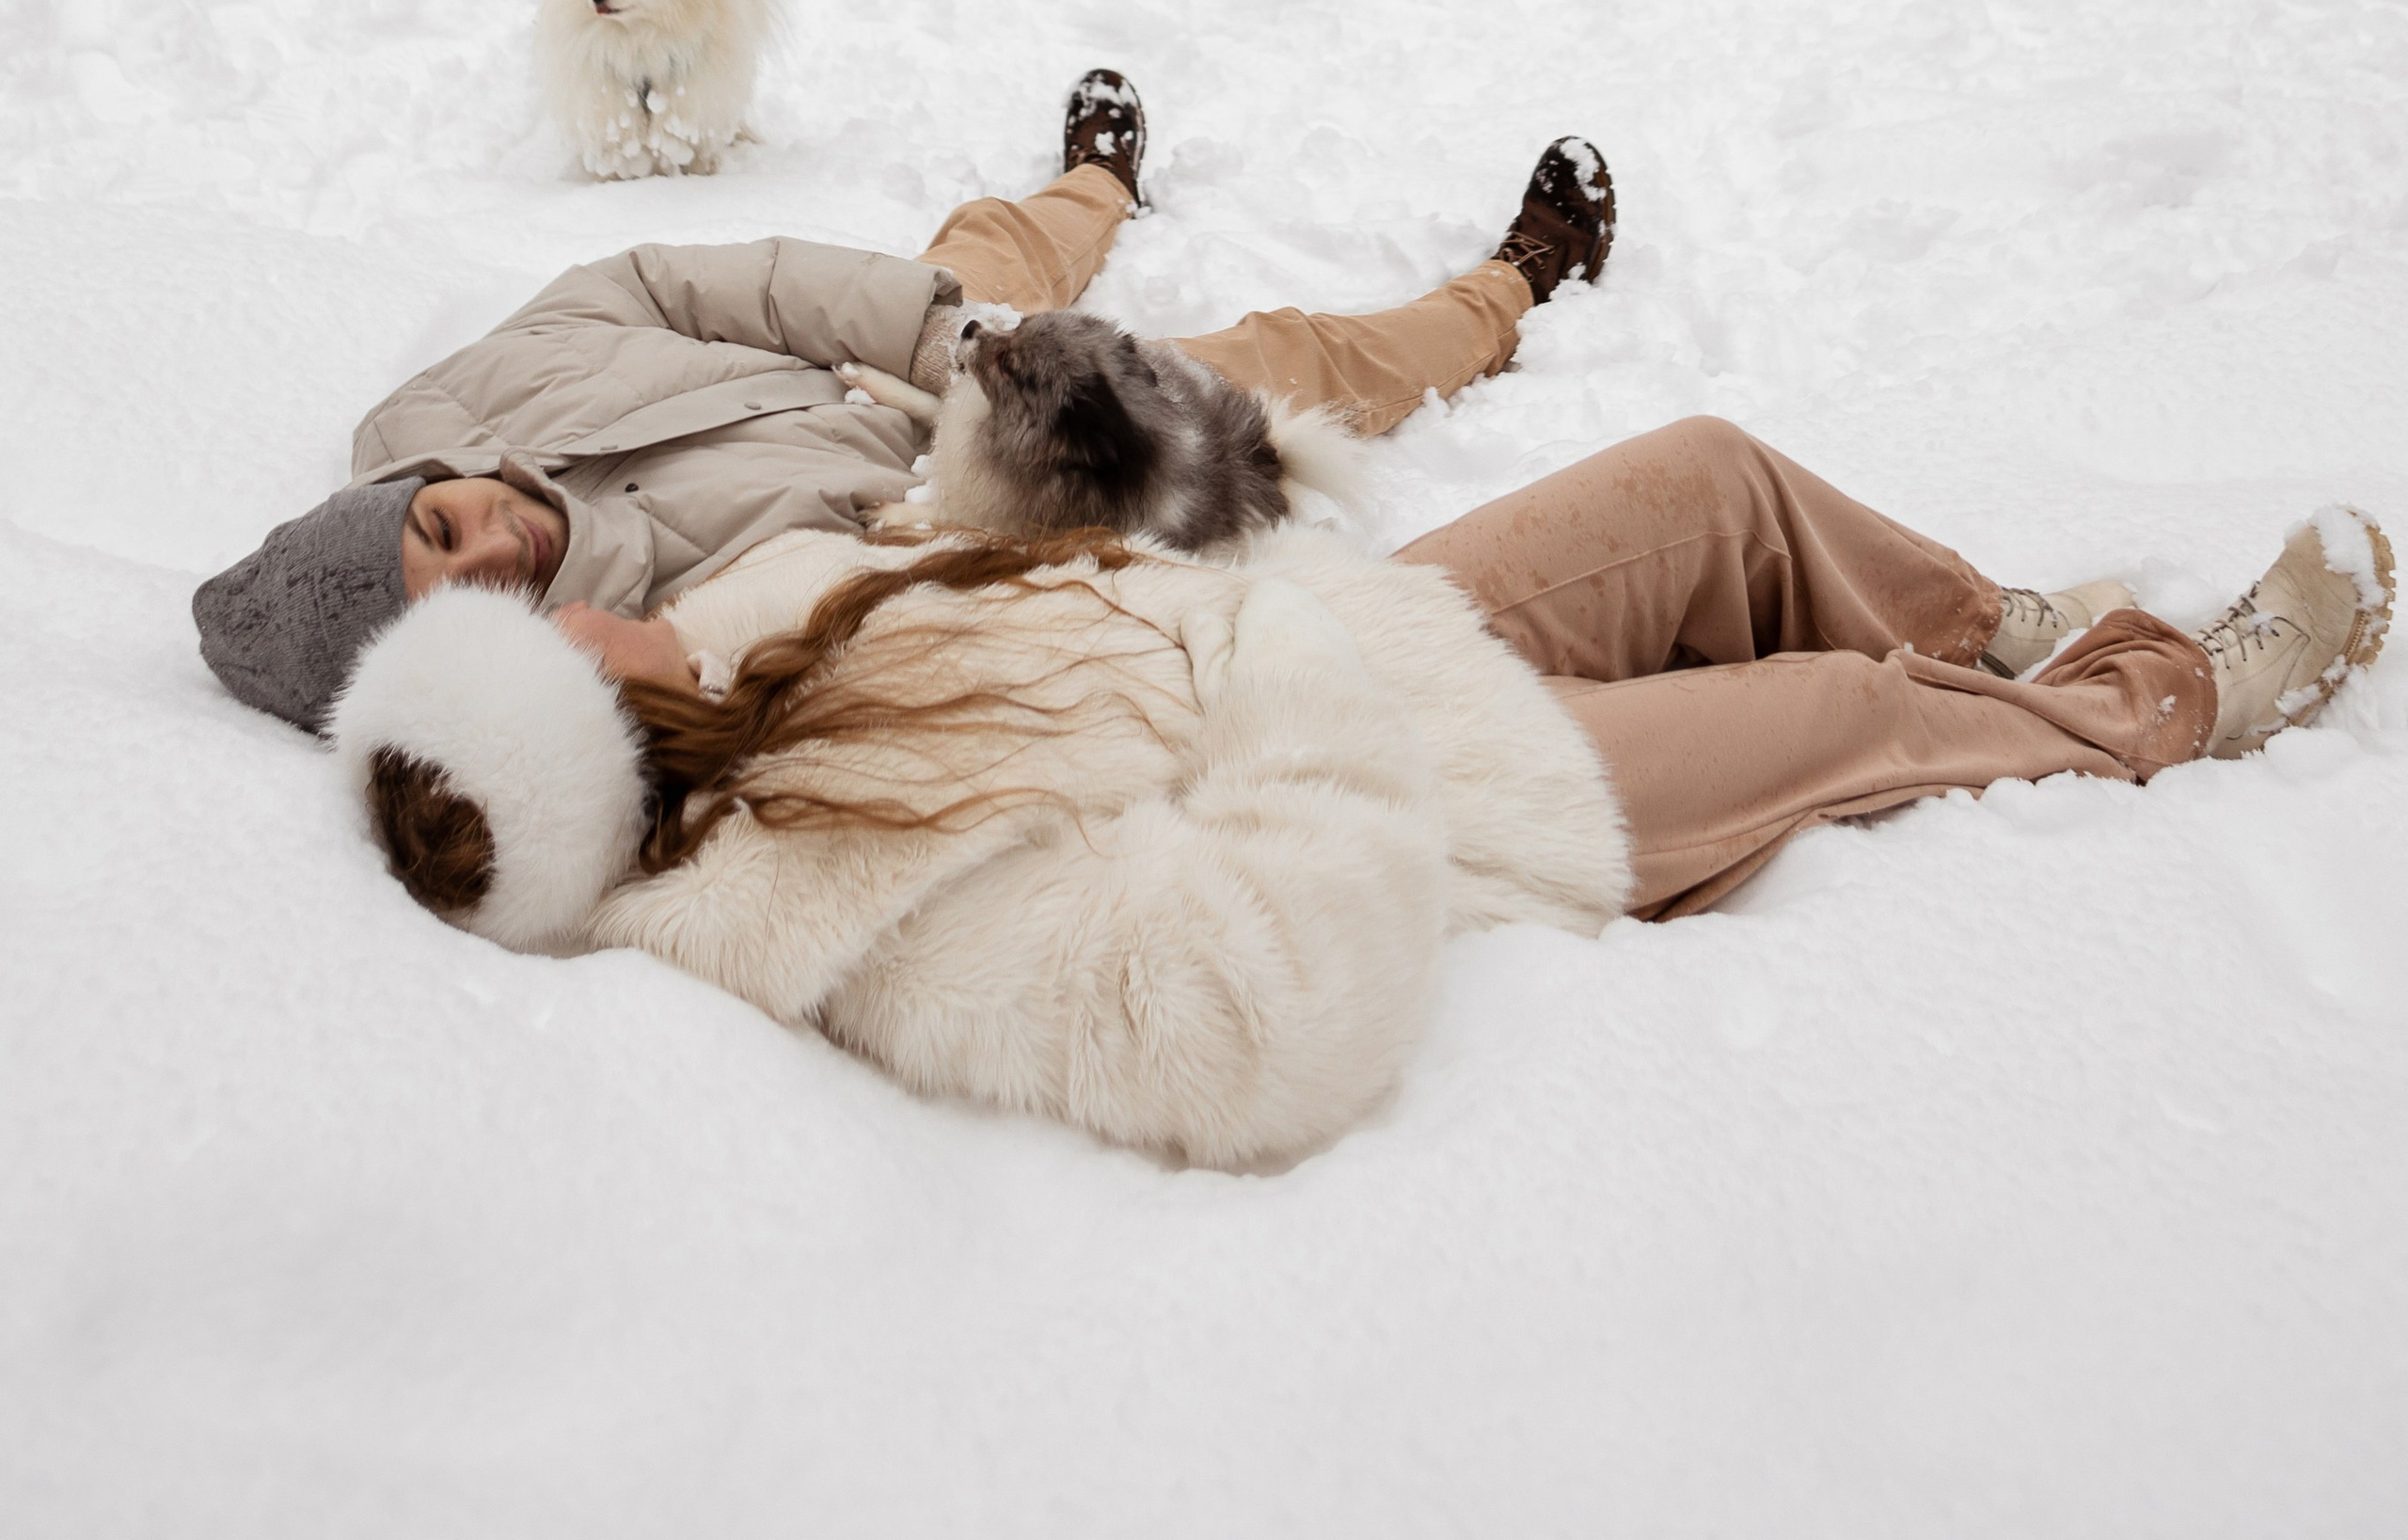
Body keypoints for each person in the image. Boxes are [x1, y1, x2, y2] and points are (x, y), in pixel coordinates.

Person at [338, 402, 2392, 1170]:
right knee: (1853, 714)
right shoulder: (839, 889)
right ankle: (2165, 703)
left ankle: (2005, 614)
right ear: (595, 744)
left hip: (1358, 613)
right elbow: (1246, 1020)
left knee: (1705, 479)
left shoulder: (728, 609)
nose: (559, 596)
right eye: (533, 638)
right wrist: (1291, 697)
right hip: (1479, 789)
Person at [191, 71, 1618, 733]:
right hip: (1001, 453)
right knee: (1285, 355)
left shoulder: (448, 403)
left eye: (440, 524)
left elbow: (663, 284)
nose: (497, 544)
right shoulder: (623, 638)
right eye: (470, 593)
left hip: (894, 339)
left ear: (400, 484)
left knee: (993, 247)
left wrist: (934, 331)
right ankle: (1510, 290)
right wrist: (991, 452)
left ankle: (1101, 186)